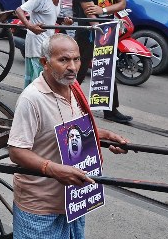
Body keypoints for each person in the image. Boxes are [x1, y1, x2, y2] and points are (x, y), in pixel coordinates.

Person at [8, 34, 129, 239]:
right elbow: (16, 151)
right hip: (40, 206)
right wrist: (52, 169)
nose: (72, 67)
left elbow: (73, 130)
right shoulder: (32, 99)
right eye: (63, 60)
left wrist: (105, 136)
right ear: (45, 62)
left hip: (73, 200)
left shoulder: (73, 89)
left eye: (76, 59)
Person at [72, 0, 133, 124]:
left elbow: (122, 3)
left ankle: (111, 111)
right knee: (78, 70)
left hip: (107, 31)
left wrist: (104, 10)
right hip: (87, 33)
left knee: (107, 70)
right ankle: (66, 104)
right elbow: (89, 13)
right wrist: (100, 31)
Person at [15, 0, 73, 87]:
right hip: (36, 42)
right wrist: (30, 26)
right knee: (38, 79)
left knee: (43, 78)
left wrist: (64, 22)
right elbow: (19, 10)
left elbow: (51, 18)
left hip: (47, 42)